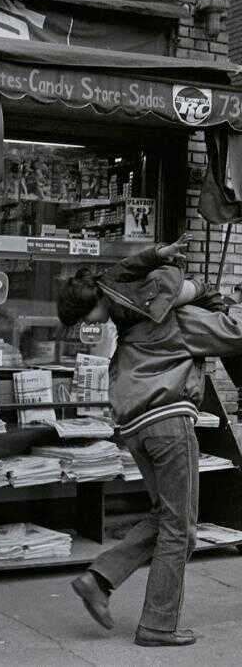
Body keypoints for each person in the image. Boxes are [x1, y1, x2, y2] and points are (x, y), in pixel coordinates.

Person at [57, 234, 242, 647]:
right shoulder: (176, 320)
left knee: (165, 515)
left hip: (136, 431)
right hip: (169, 426)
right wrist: (218, 304)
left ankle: (98, 578)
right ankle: (158, 625)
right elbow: (236, 331)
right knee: (182, 529)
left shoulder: (130, 329)